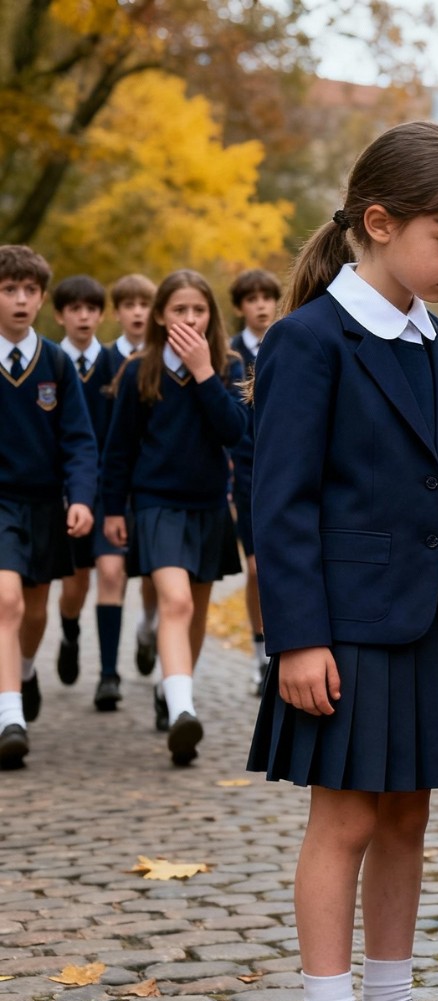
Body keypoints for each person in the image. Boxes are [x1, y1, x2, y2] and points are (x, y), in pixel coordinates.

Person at [247, 121, 438, 1001]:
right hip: (345, 625)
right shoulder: (310, 341)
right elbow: (280, 503)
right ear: (379, 223)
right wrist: (297, 637)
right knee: (346, 820)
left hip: (429, 620)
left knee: (409, 814)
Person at [101, 269, 247, 766]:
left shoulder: (227, 365)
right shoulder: (140, 370)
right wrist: (112, 511)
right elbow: (117, 450)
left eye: (198, 310)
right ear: (162, 315)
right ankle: (185, 712)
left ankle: (171, 689)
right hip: (156, 505)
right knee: (176, 602)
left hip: (209, 506)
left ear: (211, 315)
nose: (189, 318)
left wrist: (205, 372)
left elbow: (234, 432)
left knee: (197, 613)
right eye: (179, 309)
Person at [0, 246, 97, 768]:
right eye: (9, 290)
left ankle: (27, 669)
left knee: (35, 609)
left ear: (41, 297)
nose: (20, 300)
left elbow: (79, 440)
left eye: (29, 291)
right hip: (0, 505)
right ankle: (9, 716)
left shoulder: (56, 363)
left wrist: (80, 498)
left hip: (44, 506)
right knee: (6, 600)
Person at [51, 274, 123, 709]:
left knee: (112, 574)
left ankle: (110, 675)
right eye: (75, 309)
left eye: (91, 309)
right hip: (63, 493)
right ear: (60, 314)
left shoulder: (116, 365)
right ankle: (70, 630)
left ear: (100, 314)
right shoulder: (49, 362)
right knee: (75, 585)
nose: (83, 316)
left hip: (107, 490)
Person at [102, 273, 159, 681]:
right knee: (110, 572)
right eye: (129, 305)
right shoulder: (103, 361)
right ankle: (108, 673)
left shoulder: (165, 358)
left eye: (145, 305)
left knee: (157, 576)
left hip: (156, 487)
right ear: (118, 312)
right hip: (114, 483)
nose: (138, 312)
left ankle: (148, 630)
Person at [228, 267, 281, 696]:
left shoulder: (288, 342)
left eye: (267, 297)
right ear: (240, 306)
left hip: (283, 469)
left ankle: (283, 649)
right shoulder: (226, 356)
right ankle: (259, 652)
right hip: (243, 473)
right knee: (256, 568)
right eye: (252, 298)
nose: (261, 305)